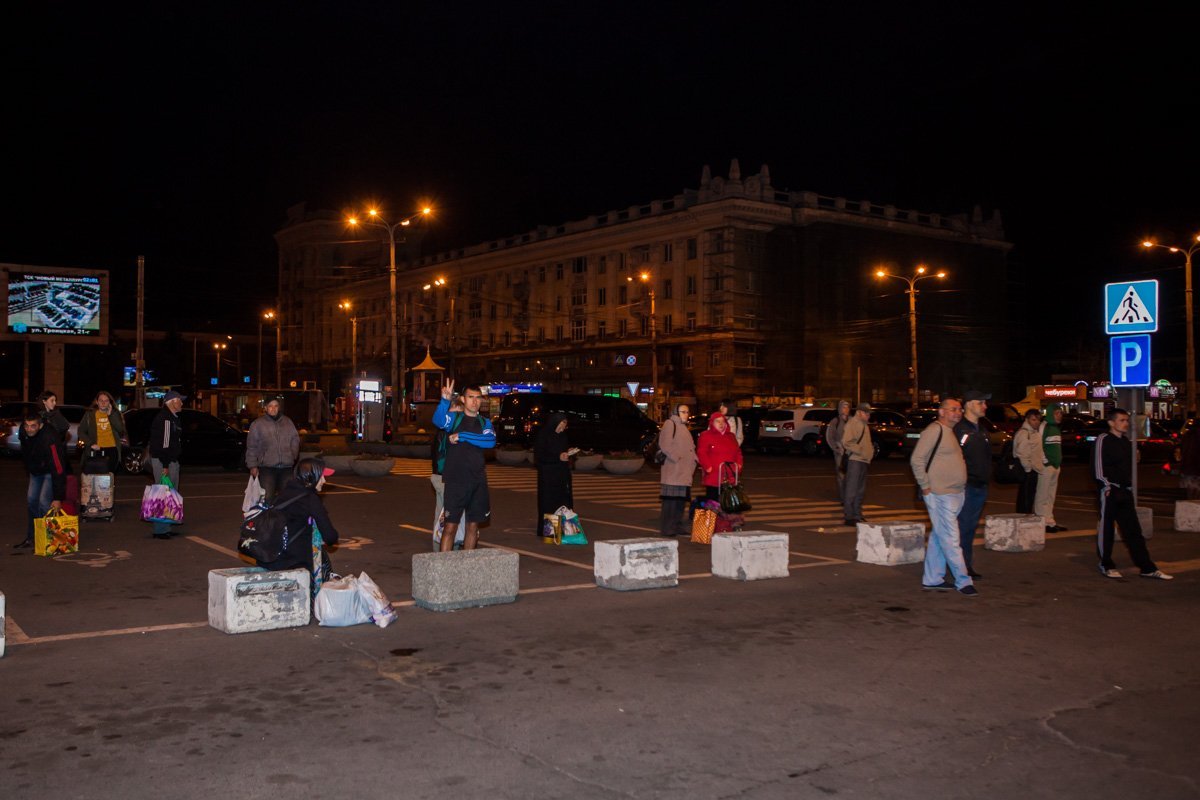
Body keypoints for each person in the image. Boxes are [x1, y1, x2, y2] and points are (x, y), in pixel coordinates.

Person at [1093, 408, 1173, 580]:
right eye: (1122, 420)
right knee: (1106, 529)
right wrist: (1106, 486)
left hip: (1125, 491)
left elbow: (1128, 467)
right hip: (1110, 491)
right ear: (1111, 422)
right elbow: (1099, 468)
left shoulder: (1126, 441)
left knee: (1133, 531)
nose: (1126, 423)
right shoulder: (1103, 439)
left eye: (1126, 420)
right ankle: (1106, 564)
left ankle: (1147, 567)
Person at [912, 398, 976, 596]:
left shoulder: (951, 432)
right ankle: (963, 581)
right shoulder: (935, 430)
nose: (958, 413)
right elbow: (917, 459)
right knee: (950, 538)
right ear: (941, 412)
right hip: (940, 494)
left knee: (940, 537)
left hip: (954, 493)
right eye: (953, 409)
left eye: (959, 409)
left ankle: (932, 579)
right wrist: (925, 487)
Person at [256, 458, 341, 586]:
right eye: (321, 477)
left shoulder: (286, 492)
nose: (324, 481)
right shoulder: (310, 499)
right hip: (292, 561)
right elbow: (330, 537)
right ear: (311, 477)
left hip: (271, 557)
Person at [433, 380, 495, 551]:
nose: (475, 401)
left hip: (478, 481)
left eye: (478, 398)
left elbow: (489, 441)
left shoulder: (484, 423)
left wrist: (463, 436)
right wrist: (445, 401)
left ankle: (467, 567)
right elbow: (438, 421)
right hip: (456, 481)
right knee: (450, 527)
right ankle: (443, 568)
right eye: (470, 397)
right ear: (462, 399)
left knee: (472, 527)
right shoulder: (455, 418)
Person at [13, 413, 69, 549]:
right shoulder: (23, 431)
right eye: (27, 425)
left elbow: (58, 467)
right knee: (31, 501)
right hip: (35, 471)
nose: (29, 429)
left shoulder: (50, 437)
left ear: (40, 425)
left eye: (33, 426)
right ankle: (32, 538)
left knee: (45, 503)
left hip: (51, 471)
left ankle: (48, 540)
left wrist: (57, 497)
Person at [954, 390, 992, 579]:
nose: (985, 406)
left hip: (980, 486)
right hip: (966, 487)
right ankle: (961, 567)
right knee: (964, 528)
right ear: (969, 404)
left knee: (969, 528)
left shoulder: (981, 430)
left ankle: (965, 565)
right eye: (981, 403)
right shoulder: (960, 429)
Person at [245, 396, 301, 504]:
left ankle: (284, 520)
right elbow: (252, 446)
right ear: (265, 408)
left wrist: (293, 454)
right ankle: (268, 520)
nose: (273, 408)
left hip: (286, 467)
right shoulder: (257, 424)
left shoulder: (288, 422)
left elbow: (295, 439)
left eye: (275, 406)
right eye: (270, 406)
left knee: (288, 499)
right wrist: (252, 465)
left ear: (279, 407)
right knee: (267, 498)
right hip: (267, 468)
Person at [148, 389, 185, 540]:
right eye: (179, 400)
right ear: (172, 402)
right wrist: (165, 465)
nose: (182, 403)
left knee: (170, 495)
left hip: (169, 461)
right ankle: (160, 530)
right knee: (163, 495)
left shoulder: (172, 417)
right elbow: (164, 444)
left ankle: (166, 527)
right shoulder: (166, 419)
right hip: (165, 462)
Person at [534, 411, 577, 538]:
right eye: (562, 423)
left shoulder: (563, 436)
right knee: (549, 502)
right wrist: (558, 457)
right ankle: (551, 532)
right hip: (548, 476)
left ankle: (564, 530)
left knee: (563, 502)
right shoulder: (544, 435)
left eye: (565, 424)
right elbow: (539, 457)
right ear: (555, 422)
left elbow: (563, 452)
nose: (563, 427)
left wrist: (568, 454)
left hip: (562, 475)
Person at [431, 397, 466, 549]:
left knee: (443, 516)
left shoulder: (443, 431)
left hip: (440, 477)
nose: (456, 418)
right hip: (446, 478)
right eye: (455, 414)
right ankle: (445, 550)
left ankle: (441, 549)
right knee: (448, 518)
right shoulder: (447, 431)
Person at [658, 403, 697, 536]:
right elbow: (664, 444)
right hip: (674, 470)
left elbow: (689, 448)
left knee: (680, 502)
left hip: (684, 472)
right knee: (671, 502)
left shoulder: (683, 426)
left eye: (687, 411)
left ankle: (676, 525)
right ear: (676, 412)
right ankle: (668, 528)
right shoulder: (670, 423)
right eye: (683, 411)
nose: (686, 414)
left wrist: (695, 459)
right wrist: (677, 458)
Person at [78, 390, 127, 474]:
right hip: (96, 450)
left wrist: (110, 415)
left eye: (106, 401)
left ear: (110, 403)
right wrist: (90, 443)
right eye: (101, 400)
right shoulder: (90, 415)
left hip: (112, 450)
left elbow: (121, 430)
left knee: (108, 478)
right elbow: (81, 431)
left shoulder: (115, 413)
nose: (103, 403)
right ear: (97, 402)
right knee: (96, 478)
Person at [697, 412, 743, 501]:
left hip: (730, 475)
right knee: (712, 503)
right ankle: (710, 515)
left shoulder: (731, 436)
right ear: (712, 423)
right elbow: (702, 452)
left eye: (723, 421)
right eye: (718, 421)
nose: (721, 424)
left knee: (728, 504)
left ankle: (725, 515)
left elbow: (738, 452)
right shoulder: (706, 435)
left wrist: (739, 465)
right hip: (714, 475)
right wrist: (708, 467)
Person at [841, 402, 874, 525]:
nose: (868, 416)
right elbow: (846, 442)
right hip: (855, 460)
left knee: (860, 490)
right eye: (867, 413)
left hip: (864, 460)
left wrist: (869, 453)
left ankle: (857, 514)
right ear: (859, 412)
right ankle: (849, 517)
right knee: (852, 489)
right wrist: (861, 451)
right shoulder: (853, 424)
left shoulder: (864, 424)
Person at [1036, 403, 1067, 533]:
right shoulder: (1044, 426)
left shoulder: (1056, 428)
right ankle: (1041, 522)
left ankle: (1050, 521)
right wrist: (1045, 462)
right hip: (1046, 466)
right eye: (1057, 413)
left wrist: (1057, 464)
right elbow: (1039, 445)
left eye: (1060, 413)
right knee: (1042, 495)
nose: (1059, 416)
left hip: (1055, 466)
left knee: (1051, 496)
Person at [1013, 408, 1044, 514]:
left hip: (1034, 469)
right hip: (1028, 471)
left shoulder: (1034, 433)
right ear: (1027, 420)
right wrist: (1028, 469)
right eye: (1033, 420)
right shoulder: (1024, 433)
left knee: (1029, 498)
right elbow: (1022, 453)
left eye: (1038, 420)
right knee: (1025, 498)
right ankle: (1023, 518)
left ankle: (1026, 517)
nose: (1037, 422)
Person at [826, 400, 851, 503]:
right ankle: (844, 498)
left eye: (847, 407)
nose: (845, 409)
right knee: (841, 476)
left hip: (851, 453)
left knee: (851, 475)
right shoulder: (835, 421)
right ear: (839, 409)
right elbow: (829, 437)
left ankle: (849, 497)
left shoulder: (852, 421)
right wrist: (836, 448)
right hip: (839, 454)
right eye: (843, 407)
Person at [1178, 420, 1200, 500]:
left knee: (1188, 494)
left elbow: (1182, 450)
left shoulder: (1187, 436)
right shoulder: (1197, 437)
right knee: (1196, 494)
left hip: (1186, 469)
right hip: (1196, 470)